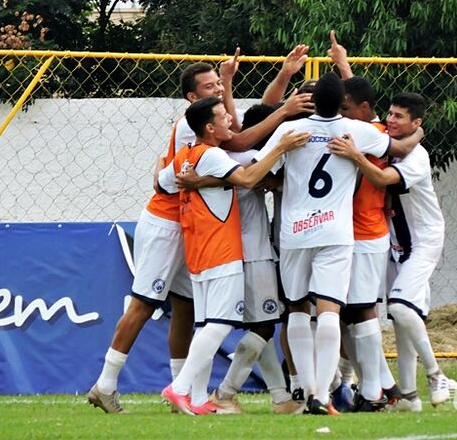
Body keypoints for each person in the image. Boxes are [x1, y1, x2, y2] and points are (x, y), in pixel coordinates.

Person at [87, 55, 312, 413]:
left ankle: (187, 393)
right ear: (195, 102)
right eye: (212, 89)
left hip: (193, 229)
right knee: (147, 304)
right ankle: (108, 383)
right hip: (171, 226)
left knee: (187, 309)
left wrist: (251, 79)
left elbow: (181, 168)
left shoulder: (206, 134)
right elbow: (239, 149)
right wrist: (283, 117)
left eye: (220, 86)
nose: (221, 96)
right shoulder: (201, 134)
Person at [253, 72, 422, 415]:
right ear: (342, 104)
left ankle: (306, 389)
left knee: (298, 310)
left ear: (312, 102)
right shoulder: (356, 131)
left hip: (295, 233)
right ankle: (321, 397)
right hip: (336, 233)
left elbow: (259, 169)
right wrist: (419, 129)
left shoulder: (290, 131)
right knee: (330, 310)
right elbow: (401, 147)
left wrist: (282, 179)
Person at [158, 96, 310, 415]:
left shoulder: (191, 154)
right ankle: (200, 390)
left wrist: (194, 181)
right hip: (237, 251)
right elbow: (250, 178)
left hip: (203, 251)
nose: (231, 119)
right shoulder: (233, 155)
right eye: (224, 116)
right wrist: (281, 146)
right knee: (242, 324)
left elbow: (161, 183)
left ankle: (215, 398)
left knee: (226, 324)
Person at [327, 91, 455, 412]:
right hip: (391, 241)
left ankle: (435, 374)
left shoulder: (417, 156)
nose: (391, 120)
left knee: (398, 308)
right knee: (387, 316)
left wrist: (356, 156)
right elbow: (360, 106)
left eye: (400, 116)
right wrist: (341, 61)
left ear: (416, 123)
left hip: (422, 241)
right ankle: (408, 398)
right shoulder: (380, 135)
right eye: (390, 114)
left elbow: (384, 178)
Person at [328, 31, 402, 411]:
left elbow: (367, 117)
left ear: (362, 108)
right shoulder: (367, 127)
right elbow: (359, 101)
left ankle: (376, 391)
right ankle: (382, 387)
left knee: (360, 310)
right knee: (347, 313)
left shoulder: (370, 134)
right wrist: (343, 63)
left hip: (366, 232)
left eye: (345, 109)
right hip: (351, 233)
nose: (340, 116)